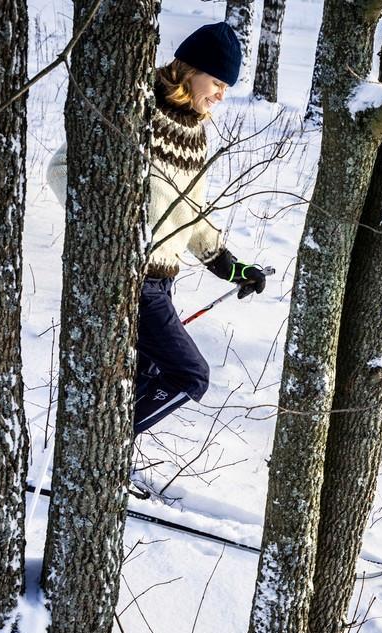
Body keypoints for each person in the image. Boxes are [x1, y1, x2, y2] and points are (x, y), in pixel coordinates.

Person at [48, 22, 266, 435]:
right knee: (190, 375)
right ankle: (107, 449)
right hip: (131, 278)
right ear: (189, 72)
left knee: (142, 377)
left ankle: (108, 459)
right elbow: (61, 170)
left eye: (226, 88)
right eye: (217, 82)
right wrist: (111, 227)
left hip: (160, 283)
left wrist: (233, 268)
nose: (221, 95)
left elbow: (192, 213)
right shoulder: (137, 108)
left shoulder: (195, 134)